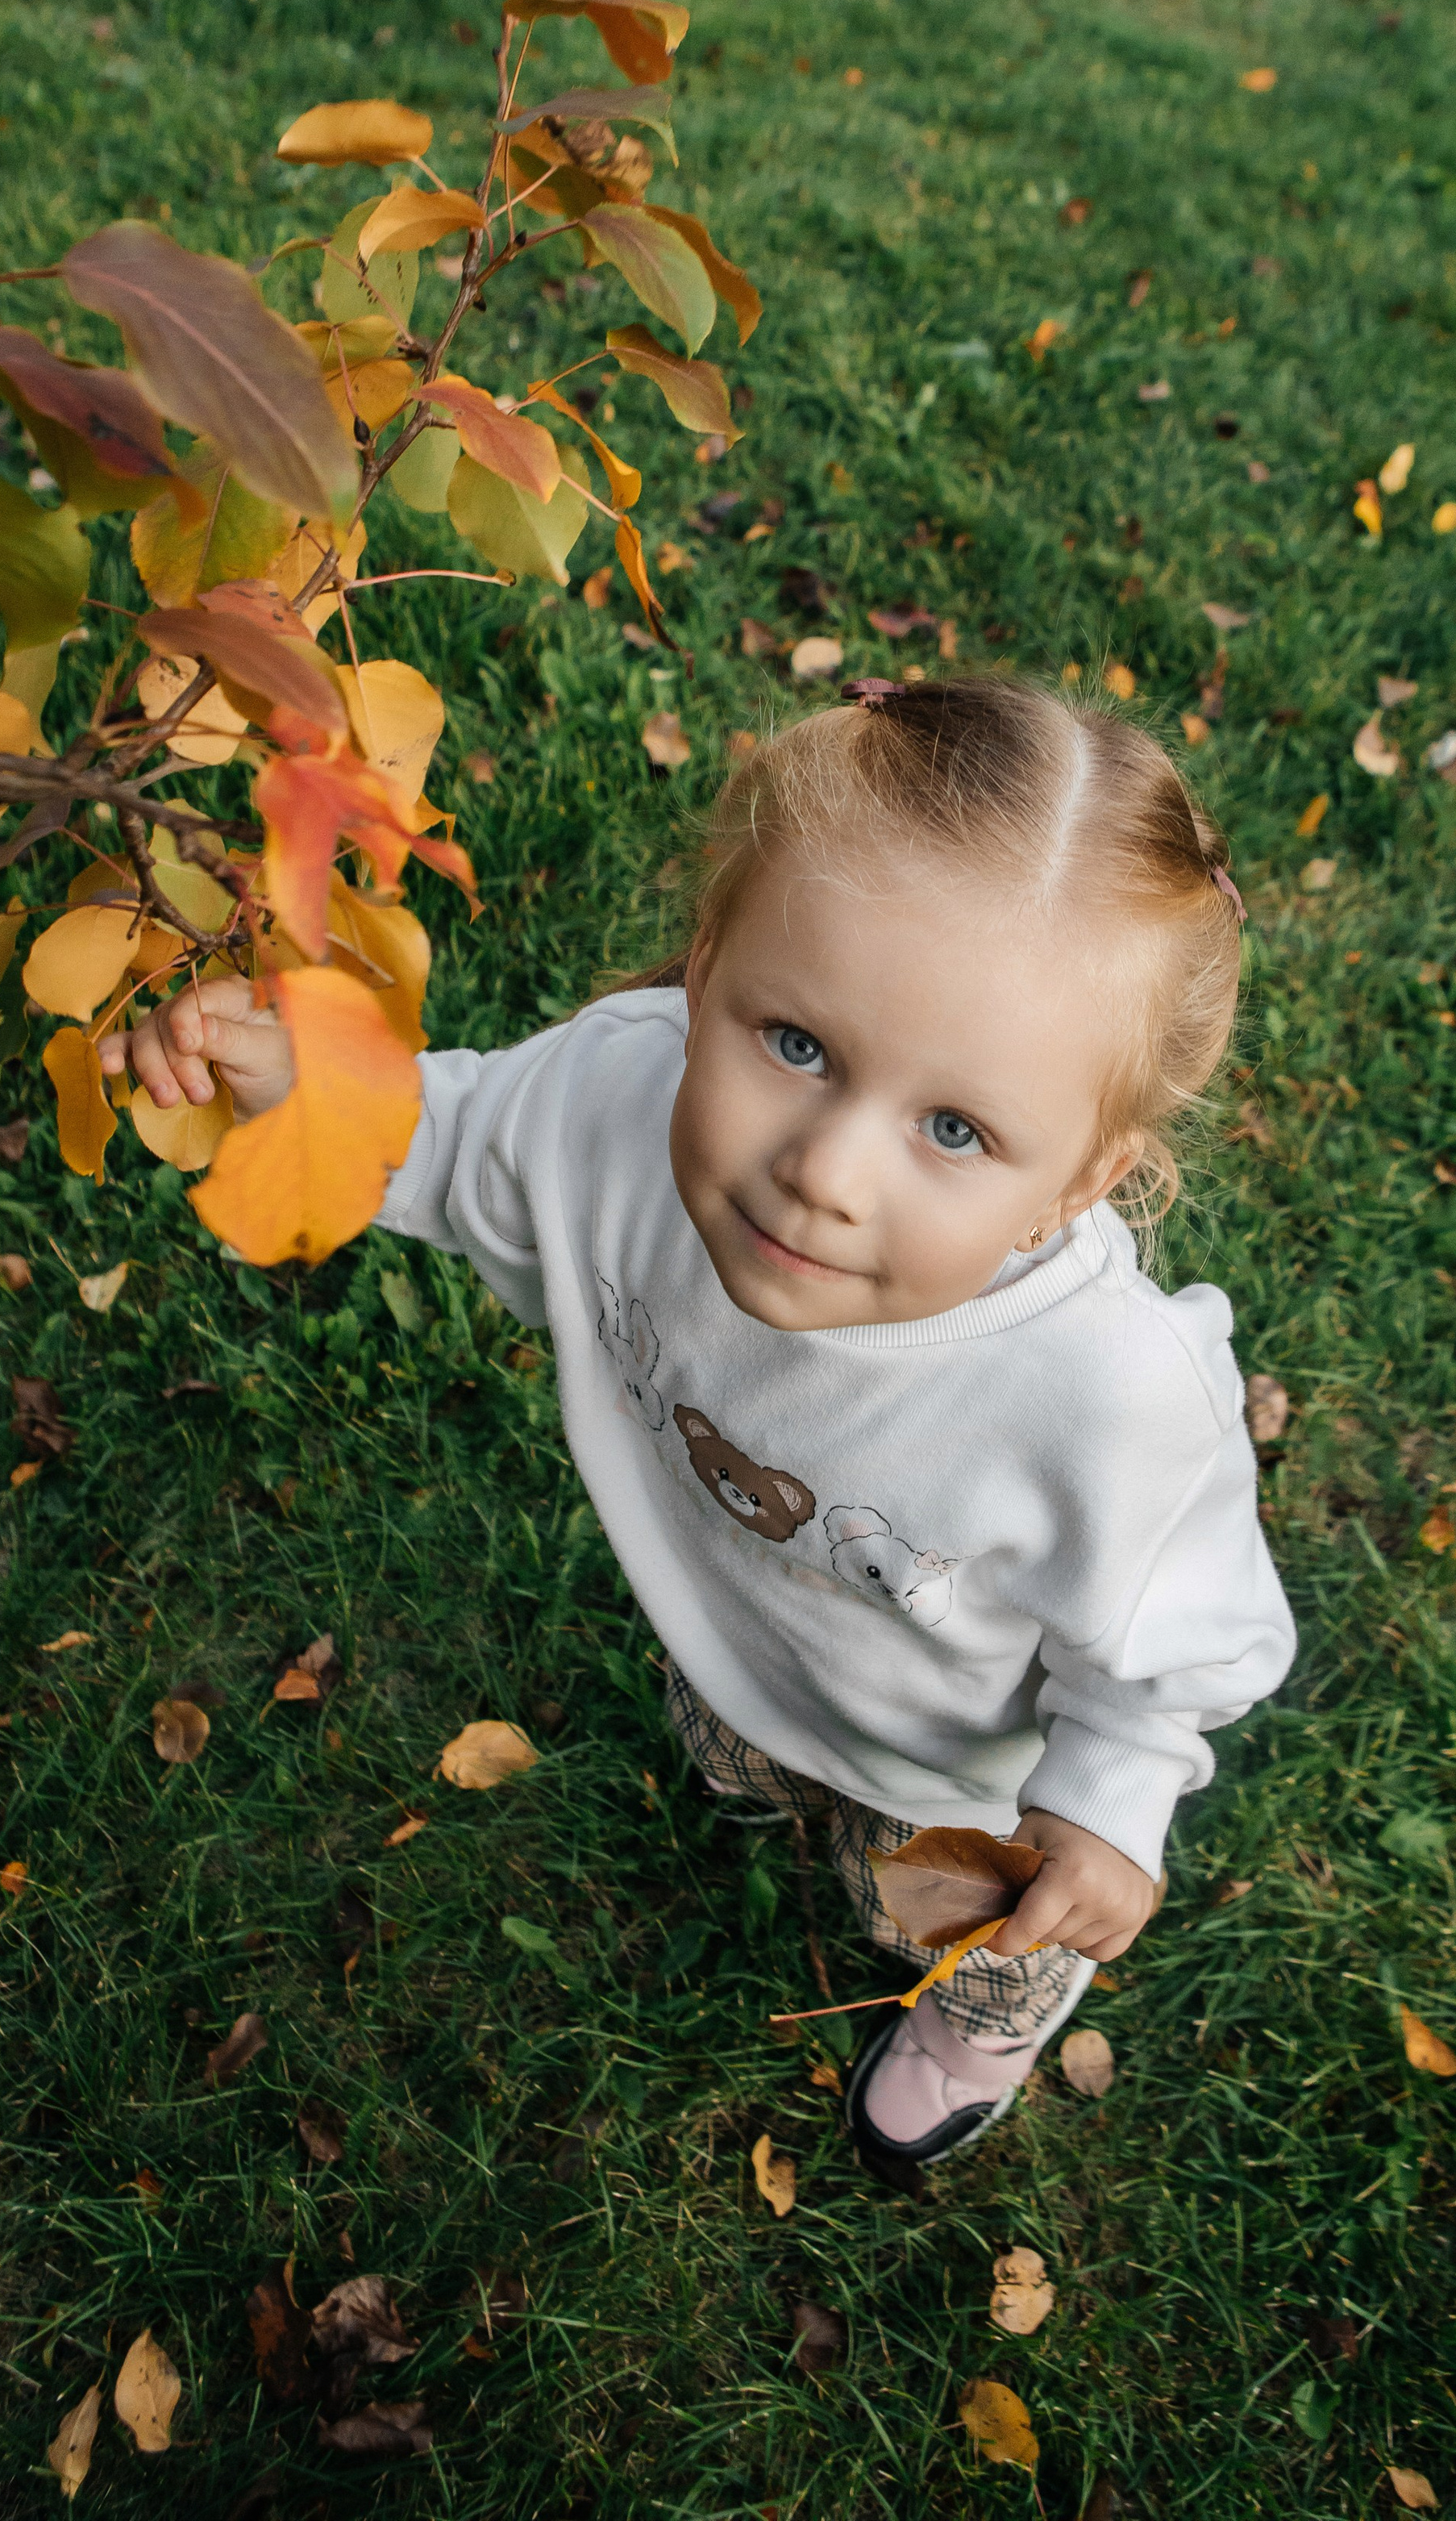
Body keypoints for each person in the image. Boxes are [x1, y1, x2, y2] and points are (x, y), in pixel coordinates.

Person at [105, 676, 1296, 2180]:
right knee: (747, 1747)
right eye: (794, 1043)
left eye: (954, 1131)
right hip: (739, 1640)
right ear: (710, 968)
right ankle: (760, 1761)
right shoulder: (616, 1091)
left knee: (961, 1915)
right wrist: (314, 1090)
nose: (827, 1172)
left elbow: (1170, 1657)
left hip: (960, 1780)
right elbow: (470, 1135)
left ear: (1077, 1180)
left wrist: (1111, 1813)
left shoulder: (1110, 1404)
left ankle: (984, 2021)